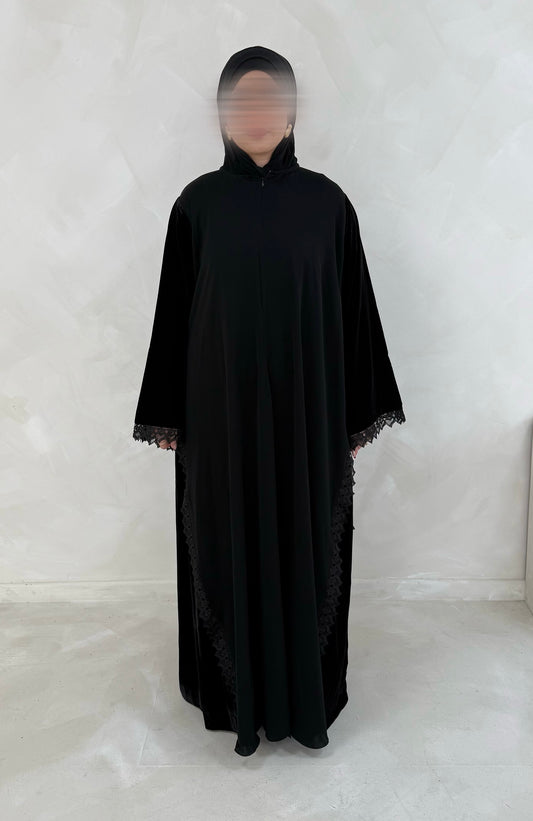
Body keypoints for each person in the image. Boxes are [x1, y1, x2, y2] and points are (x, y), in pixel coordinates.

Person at [132, 45, 406, 756]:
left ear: (291, 112)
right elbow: (173, 314)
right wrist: (168, 413)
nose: (256, 113)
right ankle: (232, 693)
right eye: (241, 100)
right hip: (217, 415)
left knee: (307, 538)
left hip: (309, 414)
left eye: (270, 98)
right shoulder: (196, 205)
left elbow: (354, 312)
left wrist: (353, 418)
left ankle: (305, 689)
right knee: (223, 535)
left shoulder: (327, 204)